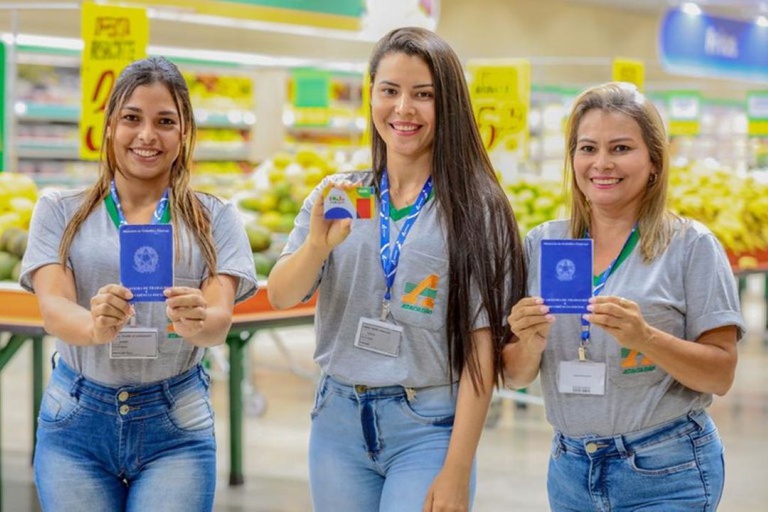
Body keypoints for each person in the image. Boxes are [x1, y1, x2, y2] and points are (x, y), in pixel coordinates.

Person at [268, 26, 526, 512]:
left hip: (427, 426)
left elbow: (481, 349)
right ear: (371, 97)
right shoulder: (341, 195)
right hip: (337, 421)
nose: (403, 109)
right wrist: (317, 248)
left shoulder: (477, 209)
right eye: (390, 91)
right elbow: (282, 294)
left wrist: (457, 468)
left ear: (447, 105)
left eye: (423, 95)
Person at [19, 56, 258, 512]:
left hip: (176, 425)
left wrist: (199, 320)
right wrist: (93, 325)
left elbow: (220, 318)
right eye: (132, 118)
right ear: (109, 126)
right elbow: (53, 307)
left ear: (184, 132)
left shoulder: (217, 218)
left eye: (165, 121)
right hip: (75, 424)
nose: (147, 135)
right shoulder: (59, 211)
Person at [504, 82, 744, 511]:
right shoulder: (544, 244)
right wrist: (530, 341)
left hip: (667, 469)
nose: (601, 164)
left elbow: (720, 375)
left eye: (620, 148)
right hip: (571, 469)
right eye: (587, 148)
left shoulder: (691, 246)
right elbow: (517, 376)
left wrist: (647, 338)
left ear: (654, 161)